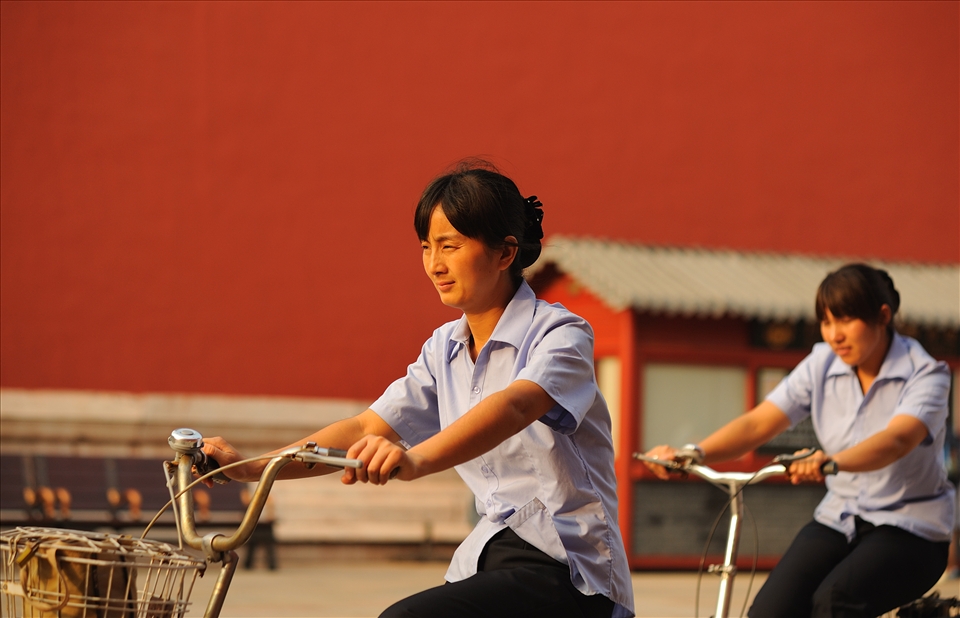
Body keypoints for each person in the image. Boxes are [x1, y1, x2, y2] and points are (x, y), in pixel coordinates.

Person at [203, 160, 635, 618]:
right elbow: (365, 427)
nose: (434, 264)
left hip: (568, 569)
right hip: (488, 555)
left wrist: (416, 460)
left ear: (505, 253)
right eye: (426, 247)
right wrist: (251, 468)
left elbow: (516, 405)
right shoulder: (443, 348)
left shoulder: (560, 333)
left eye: (449, 246)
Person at [644, 263, 955, 618]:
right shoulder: (821, 363)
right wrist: (692, 454)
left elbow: (897, 439)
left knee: (834, 603)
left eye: (845, 320)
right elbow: (759, 423)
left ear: (883, 316)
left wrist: (830, 462)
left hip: (912, 529)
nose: (835, 335)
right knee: (770, 611)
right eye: (826, 322)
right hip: (840, 518)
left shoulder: (926, 374)